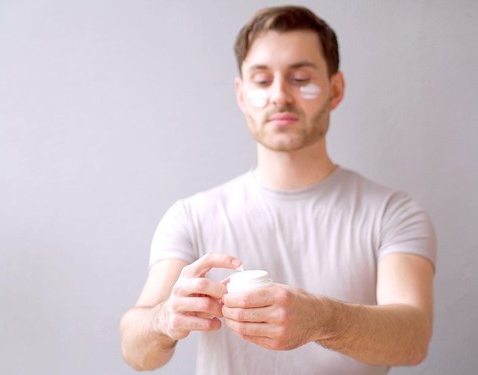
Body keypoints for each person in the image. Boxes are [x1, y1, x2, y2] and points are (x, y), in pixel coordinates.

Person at [120, 5, 436, 375]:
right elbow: (136, 353)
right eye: (261, 80)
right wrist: (164, 319)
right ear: (241, 94)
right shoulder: (192, 216)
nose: (280, 95)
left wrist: (323, 319)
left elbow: (413, 340)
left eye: (300, 78)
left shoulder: (392, 213)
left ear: (335, 90)